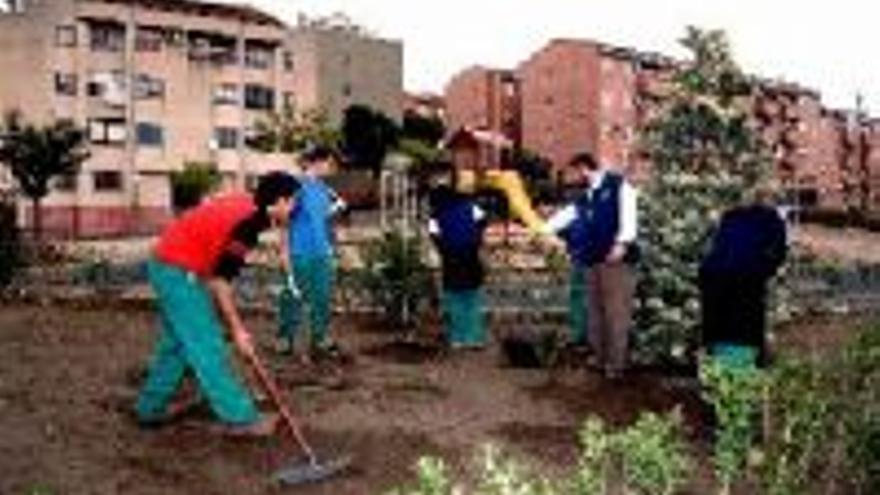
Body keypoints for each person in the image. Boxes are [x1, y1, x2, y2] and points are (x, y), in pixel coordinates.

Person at [136, 171, 300, 436]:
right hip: (178, 269)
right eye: (293, 201)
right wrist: (237, 330)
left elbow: (221, 267)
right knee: (207, 342)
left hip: (171, 264)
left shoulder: (256, 206)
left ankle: (149, 408)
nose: (295, 207)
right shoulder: (247, 225)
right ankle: (240, 418)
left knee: (179, 343)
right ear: (279, 200)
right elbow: (220, 282)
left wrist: (284, 245)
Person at [544, 152, 639, 379]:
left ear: (584, 168)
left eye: (576, 172)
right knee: (595, 311)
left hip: (617, 260)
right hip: (592, 260)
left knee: (616, 311)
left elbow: (629, 214)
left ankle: (615, 365)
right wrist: (541, 227)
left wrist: (622, 243)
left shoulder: (618, 186)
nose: (575, 177)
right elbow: (565, 217)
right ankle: (599, 357)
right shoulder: (587, 196)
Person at [699, 186, 788, 367]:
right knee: (745, 327)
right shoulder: (773, 219)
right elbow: (778, 253)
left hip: (713, 274)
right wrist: (765, 271)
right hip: (744, 276)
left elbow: (718, 244)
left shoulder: (730, 215)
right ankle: (742, 374)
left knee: (718, 327)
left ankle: (718, 370)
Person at [276, 145, 346, 359]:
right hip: (299, 251)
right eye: (330, 164)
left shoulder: (324, 190)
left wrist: (332, 245)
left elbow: (324, 219)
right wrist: (283, 249)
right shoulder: (298, 186)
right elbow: (283, 218)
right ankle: (285, 338)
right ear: (319, 162)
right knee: (293, 296)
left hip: (321, 252)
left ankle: (320, 339)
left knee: (322, 297)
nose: (332, 169)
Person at [428, 162, 489, 349]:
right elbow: (483, 220)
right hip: (470, 254)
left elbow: (433, 233)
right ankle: (475, 337)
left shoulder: (436, 211)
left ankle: (457, 338)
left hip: (451, 256)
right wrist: (476, 239)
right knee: (472, 295)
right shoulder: (468, 204)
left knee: (454, 297)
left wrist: (444, 249)